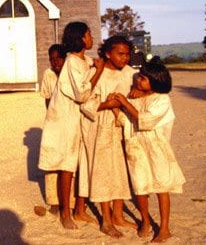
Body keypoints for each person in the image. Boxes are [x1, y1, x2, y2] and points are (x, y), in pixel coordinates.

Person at [110, 58, 185, 242]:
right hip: (136, 146)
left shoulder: (162, 100)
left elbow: (146, 120)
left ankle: (165, 227)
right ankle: (145, 220)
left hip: (157, 149)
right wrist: (117, 107)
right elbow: (127, 121)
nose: (138, 80)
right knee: (140, 186)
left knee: (161, 186)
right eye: (139, 77)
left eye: (143, 78)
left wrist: (125, 103)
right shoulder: (135, 97)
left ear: (155, 82)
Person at [38, 21, 104, 229]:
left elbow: (87, 69)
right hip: (64, 122)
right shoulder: (71, 63)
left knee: (78, 163)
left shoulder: (81, 60)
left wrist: (94, 64)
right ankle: (65, 213)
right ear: (80, 39)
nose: (91, 37)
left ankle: (80, 210)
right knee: (66, 167)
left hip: (75, 120)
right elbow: (83, 94)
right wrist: (99, 70)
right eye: (88, 33)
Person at [79, 36, 137, 237]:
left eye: (127, 54)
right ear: (107, 53)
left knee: (121, 171)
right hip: (101, 127)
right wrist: (106, 105)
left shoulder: (131, 74)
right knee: (104, 171)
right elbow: (84, 102)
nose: (125, 58)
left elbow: (139, 98)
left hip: (123, 127)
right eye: (120, 54)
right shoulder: (97, 73)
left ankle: (118, 215)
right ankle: (106, 219)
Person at [38, 44, 66, 215]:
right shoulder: (48, 74)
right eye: (52, 59)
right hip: (54, 122)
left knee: (69, 163)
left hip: (70, 121)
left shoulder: (70, 73)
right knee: (51, 161)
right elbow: (47, 98)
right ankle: (54, 200)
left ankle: (70, 201)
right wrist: (51, 119)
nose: (55, 62)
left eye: (58, 58)